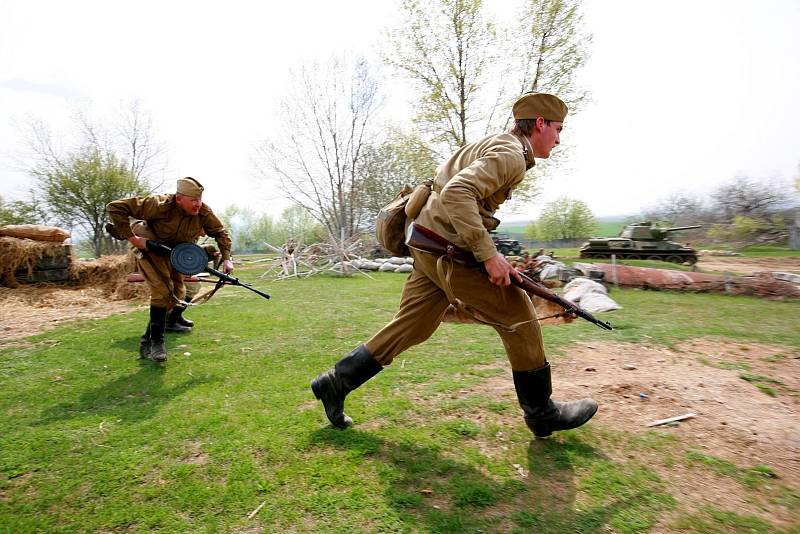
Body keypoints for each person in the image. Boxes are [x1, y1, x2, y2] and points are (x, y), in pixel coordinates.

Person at [311, 93, 598, 438]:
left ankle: (335, 383)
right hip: (447, 251)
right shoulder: (511, 155)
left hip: (426, 245)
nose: (559, 138)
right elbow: (457, 192)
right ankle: (542, 413)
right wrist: (489, 255)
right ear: (540, 124)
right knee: (518, 317)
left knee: (414, 325)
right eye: (557, 129)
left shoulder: (496, 143)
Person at [107, 177, 233, 362]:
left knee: (178, 293)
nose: (198, 204)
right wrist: (133, 239)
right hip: (150, 248)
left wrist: (227, 260)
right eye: (193, 200)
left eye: (199, 199)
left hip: (175, 254)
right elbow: (115, 207)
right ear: (179, 198)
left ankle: (146, 341)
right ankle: (156, 342)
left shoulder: (203, 212)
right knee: (162, 291)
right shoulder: (157, 204)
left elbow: (221, 233)